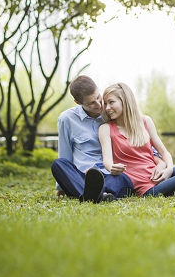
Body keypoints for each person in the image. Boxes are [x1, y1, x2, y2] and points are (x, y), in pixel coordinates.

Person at [50, 75, 164, 203]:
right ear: (78, 102)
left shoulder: (112, 112)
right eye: (91, 103)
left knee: (120, 180)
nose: (99, 105)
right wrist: (62, 186)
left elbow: (138, 139)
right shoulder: (67, 119)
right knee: (58, 164)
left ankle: (89, 195)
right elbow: (65, 155)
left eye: (98, 98)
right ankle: (96, 194)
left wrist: (159, 161)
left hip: (111, 174)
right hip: (82, 175)